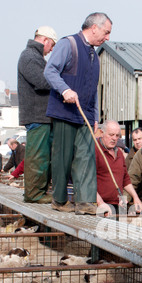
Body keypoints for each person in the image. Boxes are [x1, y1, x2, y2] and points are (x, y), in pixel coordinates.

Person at [44, 12, 112, 215]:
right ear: (94, 28)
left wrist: (95, 118)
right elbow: (50, 71)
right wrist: (65, 90)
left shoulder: (94, 56)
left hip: (84, 116)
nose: (107, 38)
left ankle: (85, 202)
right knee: (62, 158)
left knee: (86, 157)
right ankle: (59, 200)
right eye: (106, 32)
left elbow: (94, 88)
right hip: (64, 112)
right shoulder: (68, 44)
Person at [17, 25, 58, 204]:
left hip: (40, 115)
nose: (51, 50)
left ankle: (38, 192)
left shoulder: (33, 57)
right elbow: (42, 81)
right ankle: (34, 194)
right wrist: (59, 79)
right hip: (37, 116)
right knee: (37, 156)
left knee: (42, 156)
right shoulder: (29, 57)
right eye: (52, 45)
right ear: (45, 40)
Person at [95, 120, 142, 216]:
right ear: (101, 133)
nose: (114, 138)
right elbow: (87, 181)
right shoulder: (94, 150)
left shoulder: (120, 153)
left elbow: (126, 179)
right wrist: (100, 203)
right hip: (100, 206)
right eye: (111, 135)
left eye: (117, 136)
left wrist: (135, 197)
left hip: (117, 206)